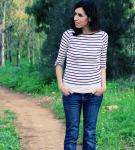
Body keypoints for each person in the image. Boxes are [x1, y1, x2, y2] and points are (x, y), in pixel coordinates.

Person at [54, 0, 108, 149]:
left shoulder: (103, 37)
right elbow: (59, 62)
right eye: (74, 14)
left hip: (94, 94)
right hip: (71, 93)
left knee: (90, 135)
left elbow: (102, 64)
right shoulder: (68, 35)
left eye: (80, 15)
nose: (75, 18)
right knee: (71, 134)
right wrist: (61, 85)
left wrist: (104, 86)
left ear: (89, 18)